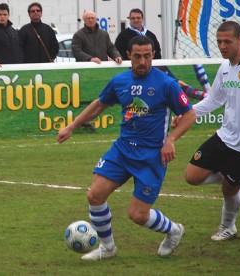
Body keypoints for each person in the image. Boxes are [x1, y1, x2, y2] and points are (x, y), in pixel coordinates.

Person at [57, 36, 196, 260]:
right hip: (122, 150)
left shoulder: (166, 83)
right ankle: (108, 248)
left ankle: (173, 230)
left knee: (138, 215)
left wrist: (170, 140)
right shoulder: (120, 81)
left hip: (151, 157)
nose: (143, 61)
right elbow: (99, 104)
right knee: (95, 195)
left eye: (148, 56)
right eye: (138, 56)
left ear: (153, 56)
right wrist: (72, 126)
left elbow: (190, 114)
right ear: (129, 55)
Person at [173, 21, 240, 241]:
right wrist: (187, 113)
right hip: (225, 137)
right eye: (219, 41)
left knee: (229, 190)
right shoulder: (225, 67)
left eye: (227, 41)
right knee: (191, 176)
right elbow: (214, 100)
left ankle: (228, 226)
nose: (222, 46)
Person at [115, 8, 209, 100]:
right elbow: (119, 52)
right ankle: (197, 94)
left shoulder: (150, 34)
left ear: (142, 19)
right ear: (129, 20)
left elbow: (157, 52)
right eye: (133, 18)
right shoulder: (123, 36)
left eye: (138, 18)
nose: (136, 20)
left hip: (155, 66)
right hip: (137, 69)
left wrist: (153, 63)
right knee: (171, 83)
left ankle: (197, 94)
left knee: (172, 82)